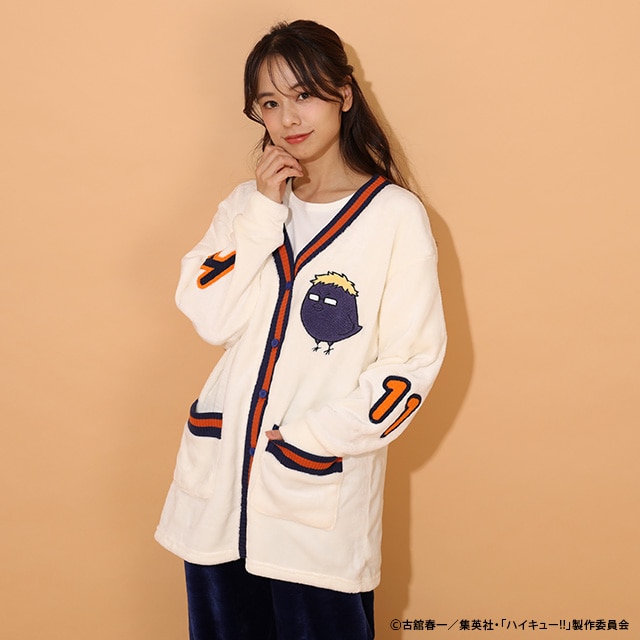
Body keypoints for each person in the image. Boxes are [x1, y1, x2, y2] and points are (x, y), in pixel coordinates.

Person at [155, 19, 446, 640]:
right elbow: (211, 316)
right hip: (217, 501)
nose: (288, 117)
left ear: (344, 94)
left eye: (304, 94)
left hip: (315, 505)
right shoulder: (246, 205)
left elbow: (410, 368)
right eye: (269, 103)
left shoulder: (395, 217)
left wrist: (307, 441)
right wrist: (264, 211)